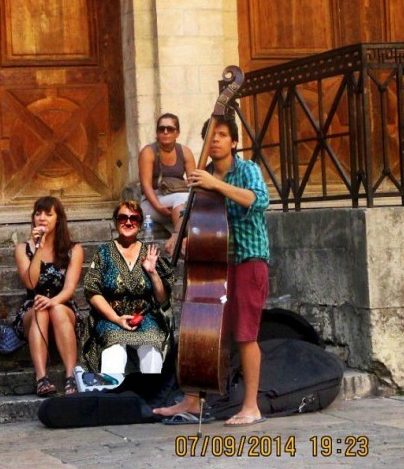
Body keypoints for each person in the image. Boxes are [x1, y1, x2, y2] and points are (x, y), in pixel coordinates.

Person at [153, 115, 270, 426]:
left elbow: (258, 201)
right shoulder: (200, 177)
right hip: (216, 263)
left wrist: (215, 184)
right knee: (204, 330)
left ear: (233, 142)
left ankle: (251, 407)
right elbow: (197, 216)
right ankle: (192, 400)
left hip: (247, 259)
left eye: (222, 135)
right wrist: (182, 235)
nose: (215, 140)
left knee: (245, 334)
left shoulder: (247, 170)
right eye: (210, 136)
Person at [82, 200, 175, 376]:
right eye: (123, 217)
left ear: (140, 224)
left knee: (153, 346)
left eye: (134, 218)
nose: (128, 222)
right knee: (113, 348)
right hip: (111, 317)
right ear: (116, 221)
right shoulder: (104, 253)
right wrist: (116, 319)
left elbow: (162, 299)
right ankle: (113, 398)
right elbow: (92, 291)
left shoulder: (149, 252)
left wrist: (153, 272)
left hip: (144, 317)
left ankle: (151, 397)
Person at [14, 196, 83, 397]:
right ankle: (41, 378)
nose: (42, 218)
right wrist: (38, 248)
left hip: (63, 304)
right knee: (40, 310)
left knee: (56, 309)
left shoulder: (74, 250)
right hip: (33, 308)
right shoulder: (22, 249)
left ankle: (70, 376)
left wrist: (52, 301)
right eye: (38, 213)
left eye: (48, 214)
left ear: (59, 219)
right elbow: (30, 283)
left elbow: (69, 288)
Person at [138, 113, 196, 245]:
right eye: (161, 129)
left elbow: (194, 183)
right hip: (152, 202)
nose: (165, 132)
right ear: (157, 132)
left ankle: (179, 241)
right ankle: (178, 241)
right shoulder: (148, 152)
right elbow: (146, 185)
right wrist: (158, 207)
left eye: (170, 129)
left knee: (184, 202)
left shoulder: (185, 152)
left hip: (179, 200)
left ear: (178, 133)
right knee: (181, 200)